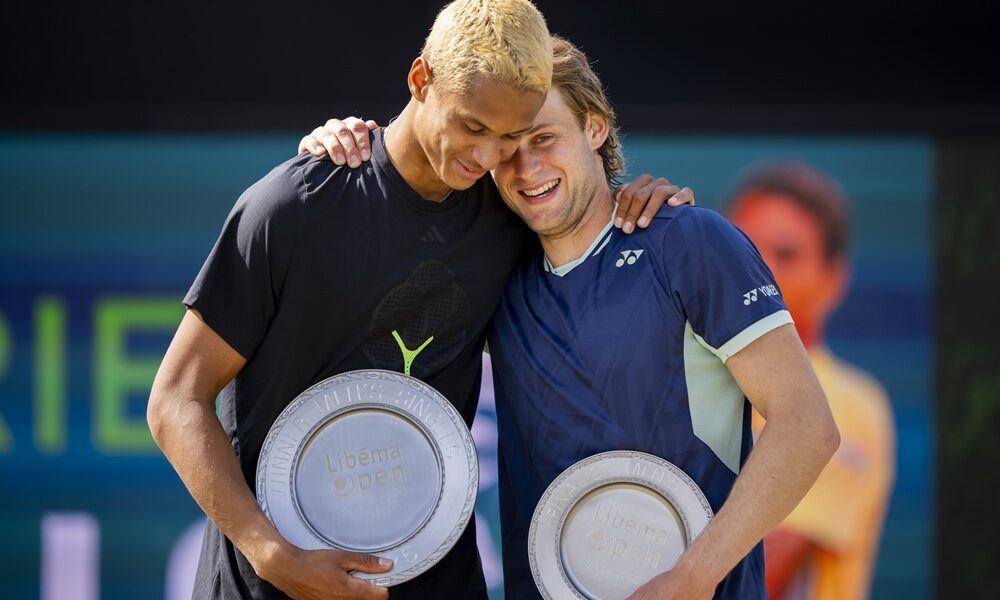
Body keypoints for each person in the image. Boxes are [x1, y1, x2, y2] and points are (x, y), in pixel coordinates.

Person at [146, 2, 685, 599]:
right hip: (270, 585)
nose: (487, 157)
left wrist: (645, 204)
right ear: (420, 78)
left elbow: (589, 221)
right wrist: (270, 554)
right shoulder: (292, 208)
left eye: (508, 136)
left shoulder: (511, 215)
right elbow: (176, 398)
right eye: (472, 127)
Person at [310, 37, 839, 600]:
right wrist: (347, 150)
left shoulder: (691, 242)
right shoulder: (494, 272)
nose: (527, 167)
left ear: (594, 127)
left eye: (543, 138)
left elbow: (807, 427)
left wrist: (693, 576)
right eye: (506, 148)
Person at [727, 163, 896, 600]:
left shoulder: (848, 405)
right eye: (742, 247)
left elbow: (760, 572)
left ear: (833, 280)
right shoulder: (676, 380)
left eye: (785, 254)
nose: (758, 269)